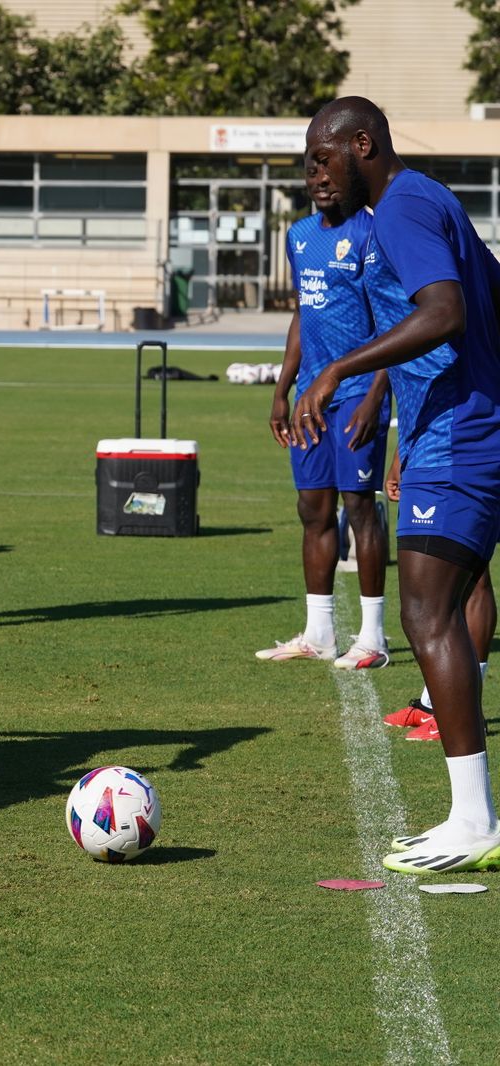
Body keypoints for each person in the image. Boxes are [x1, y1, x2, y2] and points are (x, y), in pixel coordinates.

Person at [294, 97, 500, 874]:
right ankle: (470, 815)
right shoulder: (435, 197)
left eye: (322, 158)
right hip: (461, 432)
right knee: (455, 599)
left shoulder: (400, 210)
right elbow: (490, 296)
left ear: (362, 144)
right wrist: (400, 414)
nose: (315, 175)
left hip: (459, 440)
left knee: (425, 611)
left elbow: (444, 313)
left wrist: (344, 368)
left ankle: (474, 820)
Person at [261, 159, 392, 667]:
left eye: (328, 169)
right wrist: (283, 388)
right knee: (313, 511)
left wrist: (376, 396)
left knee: (359, 509)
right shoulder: (298, 235)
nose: (318, 180)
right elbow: (303, 310)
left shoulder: (374, 233)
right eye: (311, 171)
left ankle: (374, 640)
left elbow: (394, 321)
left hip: (357, 392)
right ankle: (319, 634)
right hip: (311, 400)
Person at [380, 451, 497, 742]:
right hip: (437, 454)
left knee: (469, 579)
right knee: (461, 583)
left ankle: (467, 713)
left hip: (465, 457)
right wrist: (400, 457)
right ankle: (434, 704)